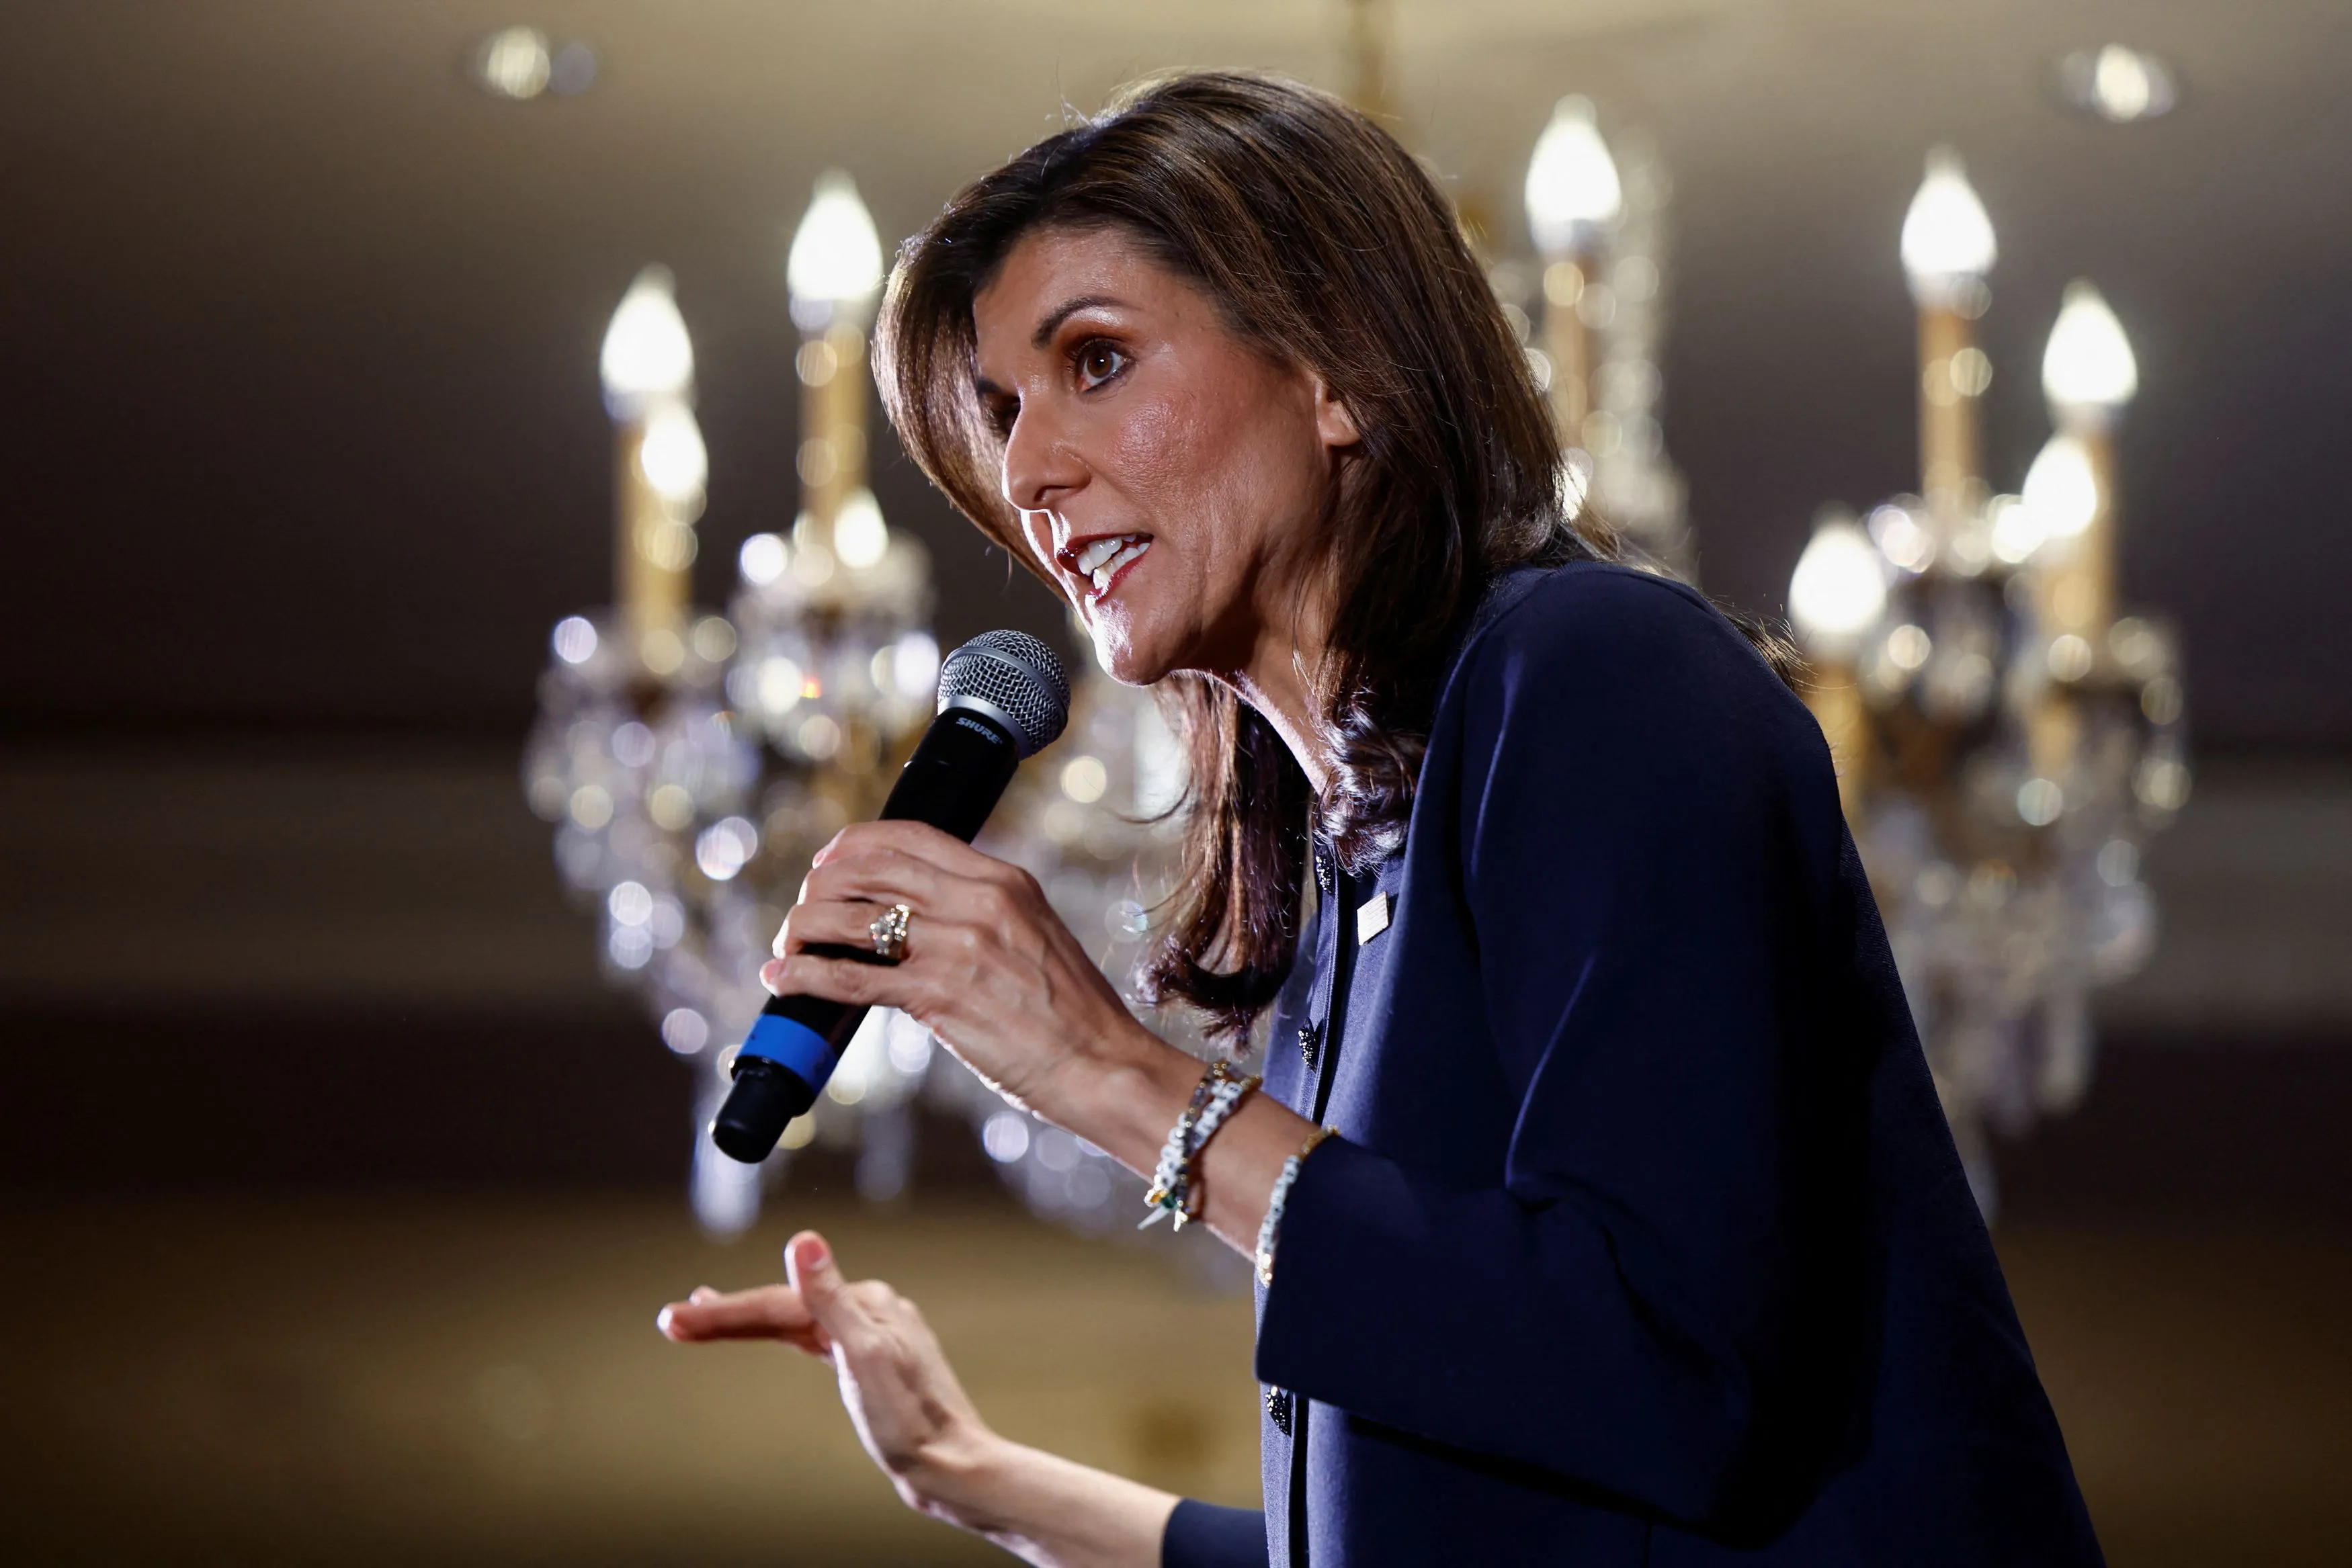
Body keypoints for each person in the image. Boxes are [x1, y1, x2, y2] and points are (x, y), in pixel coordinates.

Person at [657, 72, 2105, 1568]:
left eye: (1097, 360)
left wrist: (1107, 1070)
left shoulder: (1597, 672)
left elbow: (1675, 1373)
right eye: (1007, 411)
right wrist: (974, 1475)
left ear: (1335, 371)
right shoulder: (1343, 912)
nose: (1025, 472)